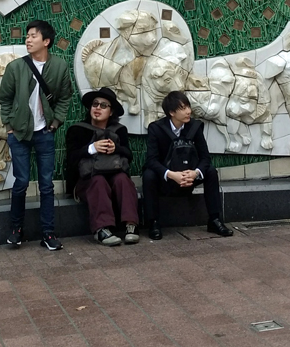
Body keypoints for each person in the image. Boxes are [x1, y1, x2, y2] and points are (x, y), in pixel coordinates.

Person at [0, 20, 73, 251]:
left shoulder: (59, 67)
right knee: (21, 182)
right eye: (27, 36)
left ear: (46, 41)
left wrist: (55, 123)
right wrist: (9, 125)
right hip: (18, 134)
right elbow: (5, 98)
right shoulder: (16, 67)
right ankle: (15, 230)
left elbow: (65, 98)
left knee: (46, 185)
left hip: (45, 133)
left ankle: (48, 233)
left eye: (33, 36)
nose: (28, 40)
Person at [143, 91, 233, 240]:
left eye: (188, 107)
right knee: (148, 175)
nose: (188, 111)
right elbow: (151, 160)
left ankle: (214, 220)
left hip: (189, 175)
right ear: (171, 112)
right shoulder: (156, 128)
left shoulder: (194, 127)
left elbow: (205, 158)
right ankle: (153, 223)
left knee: (210, 171)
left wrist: (195, 173)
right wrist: (172, 175)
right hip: (168, 179)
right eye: (183, 108)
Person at [65, 87, 140, 246]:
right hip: (87, 181)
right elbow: (71, 160)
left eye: (103, 105)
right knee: (98, 181)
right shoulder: (77, 130)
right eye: (95, 104)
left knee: (122, 179)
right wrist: (91, 148)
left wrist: (116, 148)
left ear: (111, 112)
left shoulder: (119, 130)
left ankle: (131, 225)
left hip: (114, 176)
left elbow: (129, 155)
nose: (97, 108)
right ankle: (101, 229)